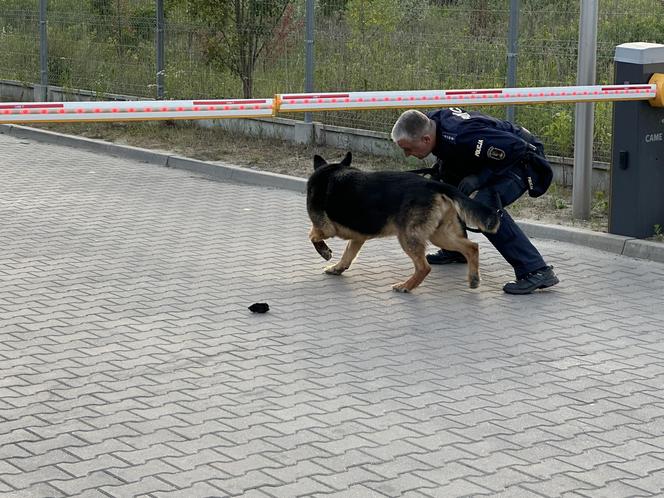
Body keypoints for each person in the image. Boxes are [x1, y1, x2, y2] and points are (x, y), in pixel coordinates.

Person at [391, 108, 559, 295]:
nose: (406, 154)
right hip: (495, 158)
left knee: (485, 206)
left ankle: (535, 269)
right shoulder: (431, 123)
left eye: (408, 148)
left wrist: (480, 179)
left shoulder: (464, 135)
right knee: (439, 190)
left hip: (522, 159)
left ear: (426, 140)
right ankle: (455, 248)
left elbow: (516, 148)